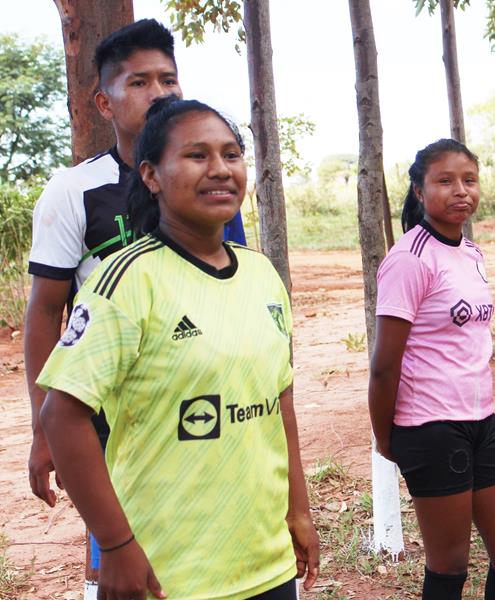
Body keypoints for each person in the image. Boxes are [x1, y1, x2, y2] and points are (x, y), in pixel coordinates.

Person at [36, 96, 319, 600]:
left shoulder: (261, 275)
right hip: (164, 575)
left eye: (232, 155)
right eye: (197, 156)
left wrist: (298, 510)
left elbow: (281, 401)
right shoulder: (125, 280)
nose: (221, 170)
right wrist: (117, 545)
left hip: (268, 565)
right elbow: (62, 415)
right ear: (151, 175)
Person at [24, 19, 245, 587]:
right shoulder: (74, 191)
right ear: (104, 102)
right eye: (140, 82)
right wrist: (43, 425)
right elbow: (46, 312)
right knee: (120, 561)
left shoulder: (209, 185)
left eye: (169, 80)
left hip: (199, 404)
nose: (161, 94)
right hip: (109, 414)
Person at [369, 139, 495, 600]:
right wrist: (387, 437)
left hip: (481, 421)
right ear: (420, 192)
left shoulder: (471, 252)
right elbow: (385, 366)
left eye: (469, 180)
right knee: (449, 566)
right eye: (445, 181)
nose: (461, 190)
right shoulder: (409, 259)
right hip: (430, 426)